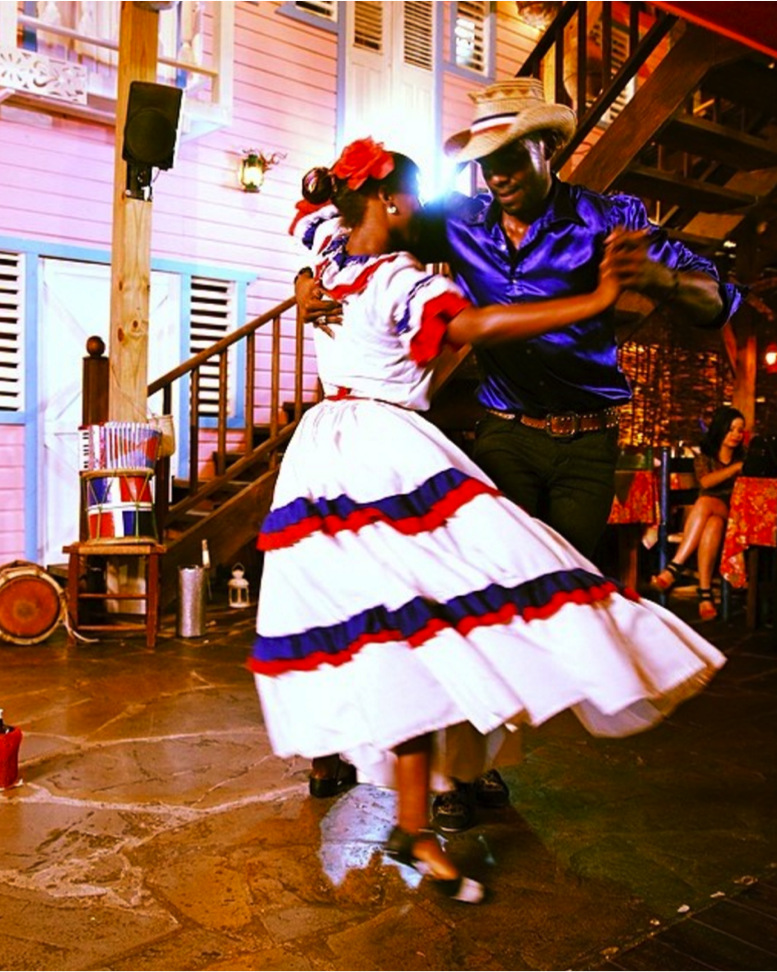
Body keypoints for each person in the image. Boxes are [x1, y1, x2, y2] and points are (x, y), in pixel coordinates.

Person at [255, 139, 727, 906]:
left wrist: (308, 281)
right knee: (418, 623)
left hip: (326, 460)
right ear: (395, 204)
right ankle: (424, 788)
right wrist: (597, 303)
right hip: (377, 457)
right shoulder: (397, 279)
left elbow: (306, 218)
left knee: (404, 630)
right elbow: (484, 326)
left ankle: (417, 809)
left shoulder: (334, 253)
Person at [653, 405, 747, 620]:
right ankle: (705, 595)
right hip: (711, 517)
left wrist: (739, 466)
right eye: (731, 429)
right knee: (712, 524)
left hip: (733, 513)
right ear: (720, 429)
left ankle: (674, 567)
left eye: (740, 430)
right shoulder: (704, 458)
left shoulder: (746, 457)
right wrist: (733, 469)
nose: (736, 435)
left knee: (705, 502)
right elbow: (706, 480)